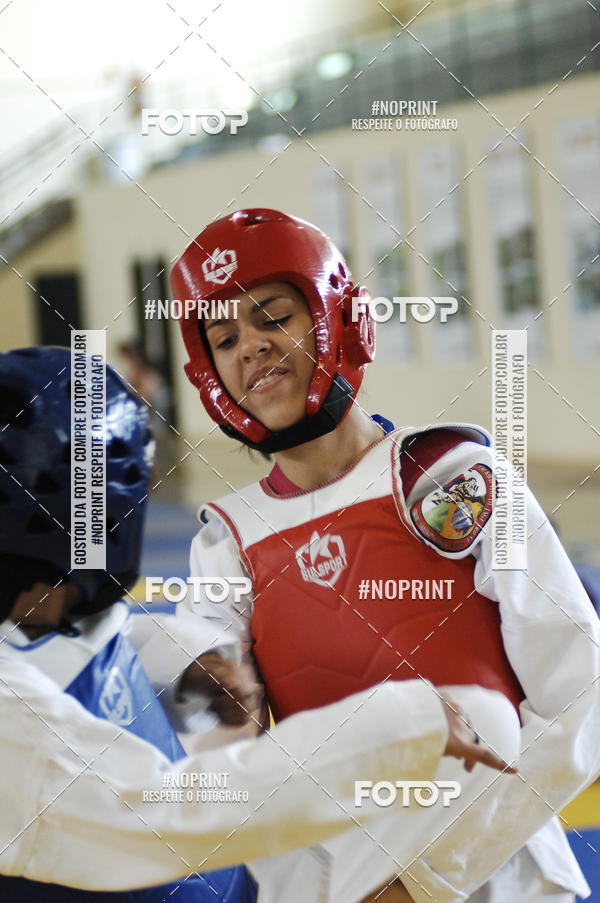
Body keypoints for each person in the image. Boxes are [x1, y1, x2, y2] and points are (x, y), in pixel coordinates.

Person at [170, 208, 600, 903]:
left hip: (499, 876)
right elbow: (218, 753)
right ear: (209, 373)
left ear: (339, 319)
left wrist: (427, 876)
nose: (251, 346)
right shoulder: (226, 543)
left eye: (273, 317)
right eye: (224, 338)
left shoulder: (451, 476)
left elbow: (582, 694)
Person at [0, 346, 506, 899]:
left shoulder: (46, 610)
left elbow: (94, 637)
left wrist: (187, 662)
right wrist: (398, 729)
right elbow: (155, 814)